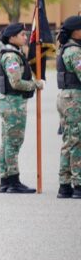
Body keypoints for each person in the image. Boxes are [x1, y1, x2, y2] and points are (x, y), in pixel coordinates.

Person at [0, 22, 42, 193]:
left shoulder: (14, 53)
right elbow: (16, 82)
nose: (25, 37)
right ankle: (13, 181)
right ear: (12, 37)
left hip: (9, 103)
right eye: (22, 34)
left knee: (7, 142)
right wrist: (35, 84)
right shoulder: (11, 57)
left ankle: (5, 180)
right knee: (13, 142)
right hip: (12, 104)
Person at [56, 15, 81, 198]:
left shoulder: (68, 48)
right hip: (74, 99)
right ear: (76, 31)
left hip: (67, 97)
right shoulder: (75, 51)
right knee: (76, 142)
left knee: (69, 141)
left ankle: (64, 185)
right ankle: (78, 184)